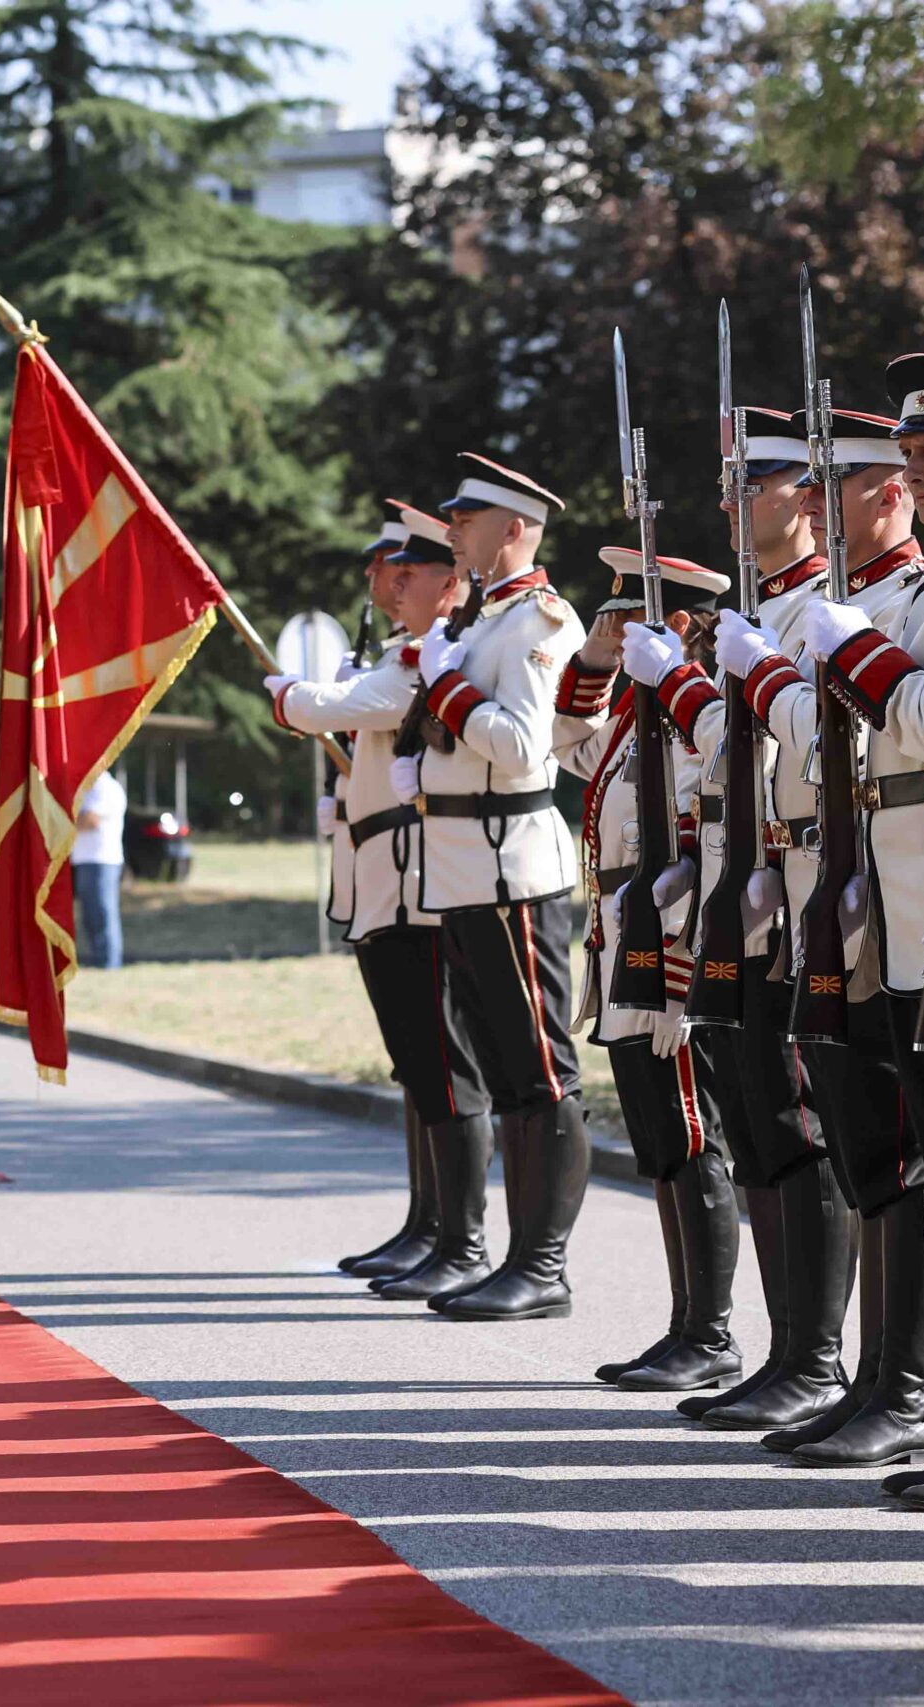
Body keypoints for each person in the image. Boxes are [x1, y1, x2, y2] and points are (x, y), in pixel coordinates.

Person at [717, 406, 924, 1477]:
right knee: (858, 1134)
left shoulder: (906, 601)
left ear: (887, 496)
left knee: (904, 1145)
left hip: (898, 883)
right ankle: (860, 1378)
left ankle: (900, 1390)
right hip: (831, 877)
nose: (816, 503)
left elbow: (890, 735)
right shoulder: (850, 603)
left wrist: (782, 676)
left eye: (841, 480)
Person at [642, 406, 858, 1433]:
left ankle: (815, 1357)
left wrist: (685, 687)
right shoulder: (761, 611)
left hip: (795, 888)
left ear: (807, 502)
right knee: (755, 1121)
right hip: (738, 884)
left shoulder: (822, 608)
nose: (732, 501)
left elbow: (789, 742)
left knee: (795, 1120)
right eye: (729, 484)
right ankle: (786, 1352)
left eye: (755, 484)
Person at [386, 453, 596, 1323]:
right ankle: (516, 1256)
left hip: (514, 868)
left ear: (514, 528)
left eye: (469, 522)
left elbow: (521, 745)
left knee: (541, 1072)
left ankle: (541, 1263)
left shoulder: (541, 621)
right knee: (509, 1073)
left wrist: (441, 684)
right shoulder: (484, 622)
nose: (457, 535)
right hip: (468, 864)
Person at [266, 504, 493, 1296]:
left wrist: (292, 696)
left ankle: (460, 1239)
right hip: (383, 884)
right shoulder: (402, 652)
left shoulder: (442, 653)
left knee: (445, 1064)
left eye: (409, 569)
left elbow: (365, 707)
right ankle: (430, 1225)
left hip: (419, 888)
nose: (391, 582)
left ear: (453, 582)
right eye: (389, 570)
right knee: (418, 1066)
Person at [565, 551, 738, 1395]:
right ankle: (683, 1323)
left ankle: (710, 1331)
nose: (615, 628)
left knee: (692, 1137)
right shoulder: (643, 712)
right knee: (660, 1146)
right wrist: (596, 668)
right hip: (621, 950)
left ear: (678, 625)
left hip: (673, 955)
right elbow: (568, 748)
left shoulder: (702, 706)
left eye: (629, 619)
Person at [72, 767, 126, 970]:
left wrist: (62, 824)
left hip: (102, 859)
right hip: (86, 859)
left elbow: (90, 820)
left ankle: (109, 962)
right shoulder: (88, 788)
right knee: (91, 915)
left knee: (103, 912)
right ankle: (99, 959)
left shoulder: (104, 787)